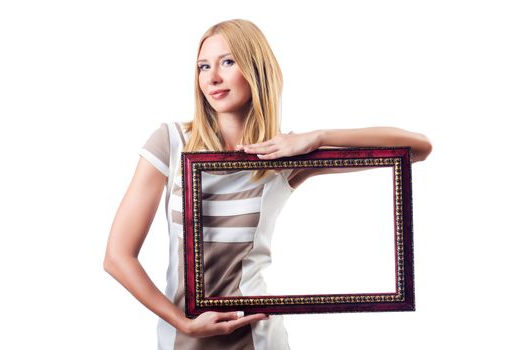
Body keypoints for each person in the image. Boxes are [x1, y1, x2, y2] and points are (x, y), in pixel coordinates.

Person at [103, 19, 432, 350]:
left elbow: (417, 148)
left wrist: (316, 137)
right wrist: (184, 323)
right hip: (184, 339)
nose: (212, 77)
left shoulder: (283, 157)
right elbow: (117, 256)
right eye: (204, 66)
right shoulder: (172, 142)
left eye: (227, 62)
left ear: (256, 69)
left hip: (259, 339)